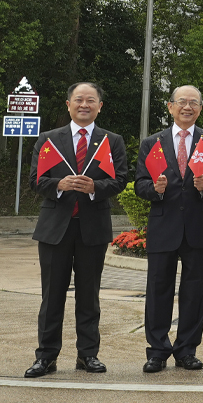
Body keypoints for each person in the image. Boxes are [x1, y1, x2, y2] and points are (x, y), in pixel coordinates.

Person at [25, 82, 128, 378]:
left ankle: (88, 355)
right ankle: (46, 357)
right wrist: (58, 184)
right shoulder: (49, 139)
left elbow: (120, 179)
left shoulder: (111, 140)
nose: (84, 105)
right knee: (51, 296)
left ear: (99, 106)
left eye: (91, 100)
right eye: (79, 99)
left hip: (92, 228)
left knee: (88, 295)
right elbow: (35, 180)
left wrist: (96, 187)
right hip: (55, 228)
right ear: (68, 104)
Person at [135, 85, 203, 373]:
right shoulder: (152, 142)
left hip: (198, 228)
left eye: (193, 103)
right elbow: (139, 184)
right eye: (182, 102)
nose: (187, 107)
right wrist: (154, 189)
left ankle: (187, 350)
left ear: (200, 108)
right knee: (158, 290)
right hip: (164, 226)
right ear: (170, 106)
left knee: (195, 293)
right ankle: (157, 351)